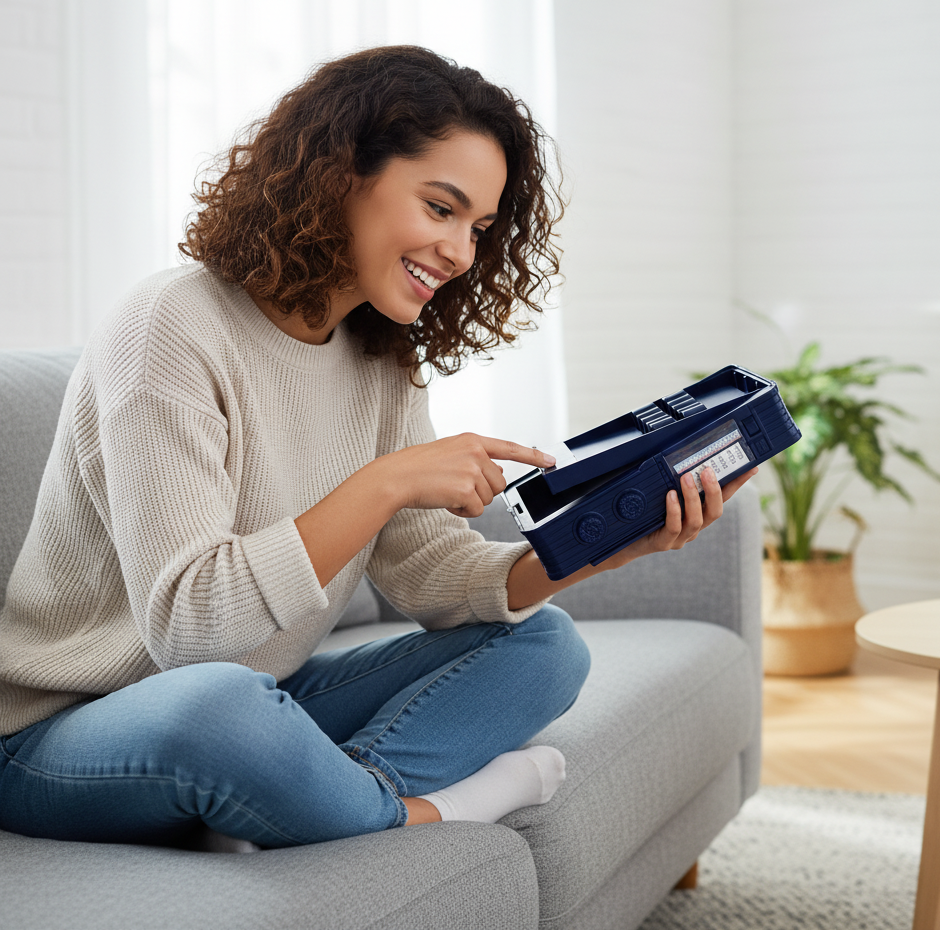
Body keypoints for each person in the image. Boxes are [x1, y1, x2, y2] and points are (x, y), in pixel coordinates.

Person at [0, 46, 756, 848]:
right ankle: (426, 808)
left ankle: (306, 797)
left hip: (265, 694)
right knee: (220, 711)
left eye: (479, 228)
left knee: (544, 644)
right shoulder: (170, 327)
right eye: (441, 208)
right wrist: (388, 481)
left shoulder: (380, 359)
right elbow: (190, 634)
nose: (463, 253)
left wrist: (602, 546)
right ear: (340, 175)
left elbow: (430, 574)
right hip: (56, 736)